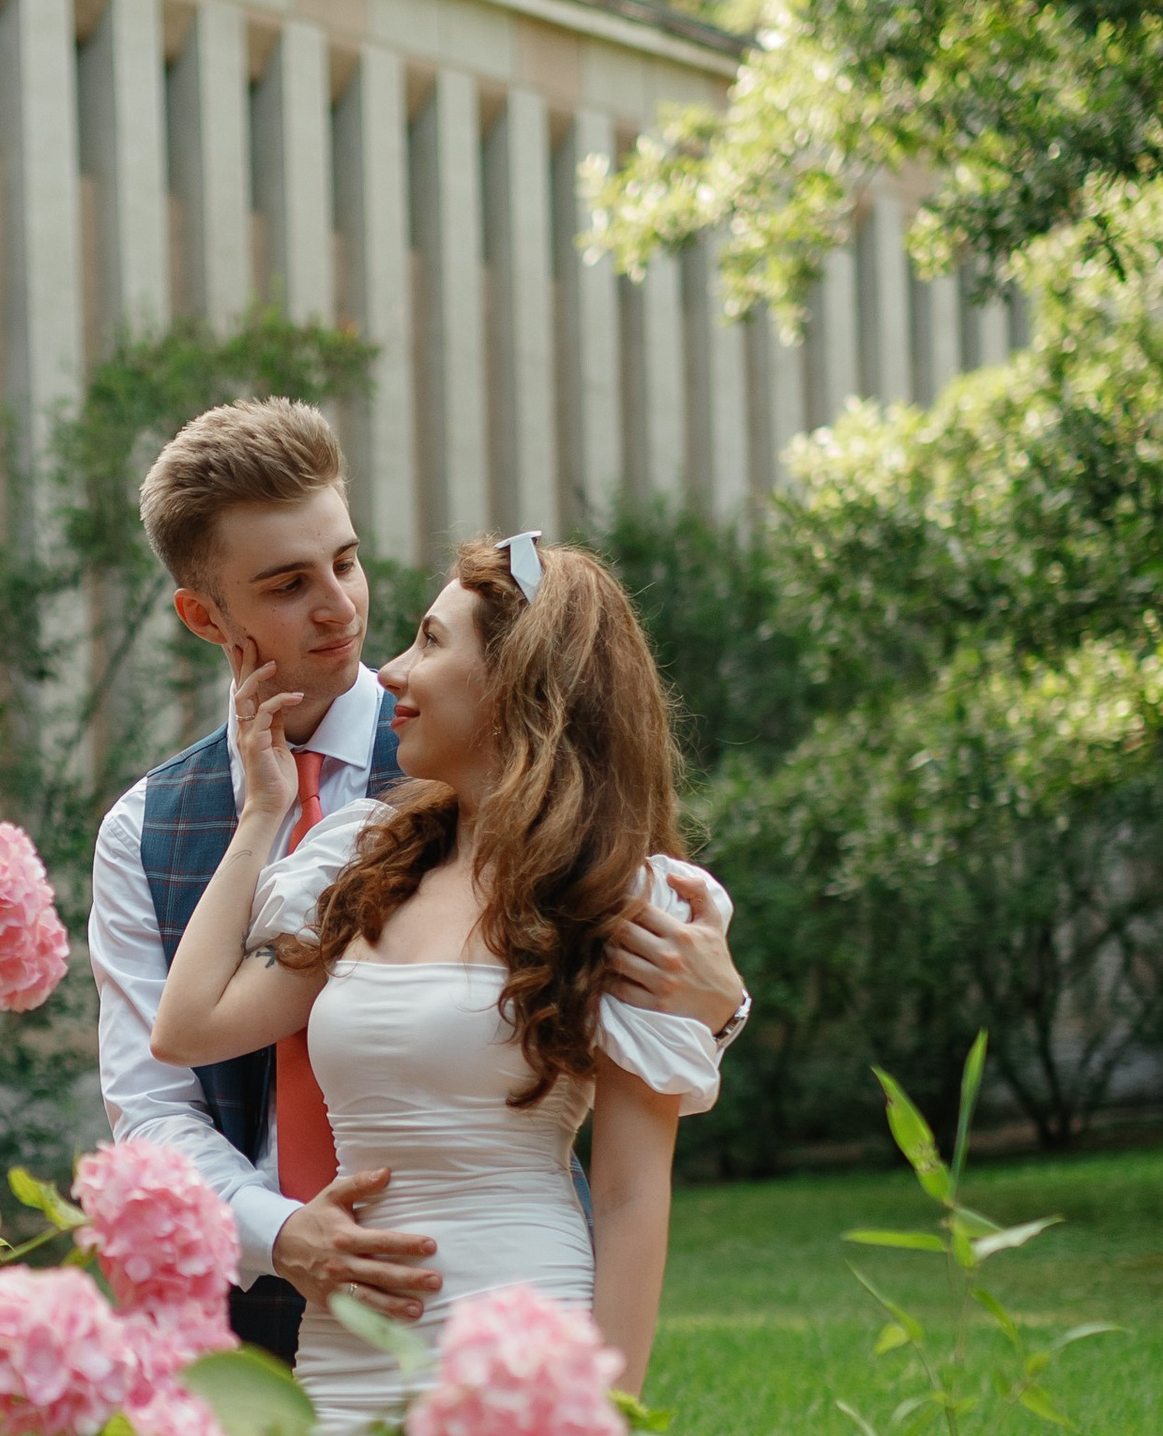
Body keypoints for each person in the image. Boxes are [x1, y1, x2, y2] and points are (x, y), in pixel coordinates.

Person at [88, 396, 746, 1370]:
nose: (339, 608)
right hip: (244, 1300)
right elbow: (152, 1094)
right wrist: (279, 1232)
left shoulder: (471, 771)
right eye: (285, 584)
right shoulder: (147, 829)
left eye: (345, 563)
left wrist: (716, 1009)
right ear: (203, 615)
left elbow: (636, 1017)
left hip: (495, 1291)